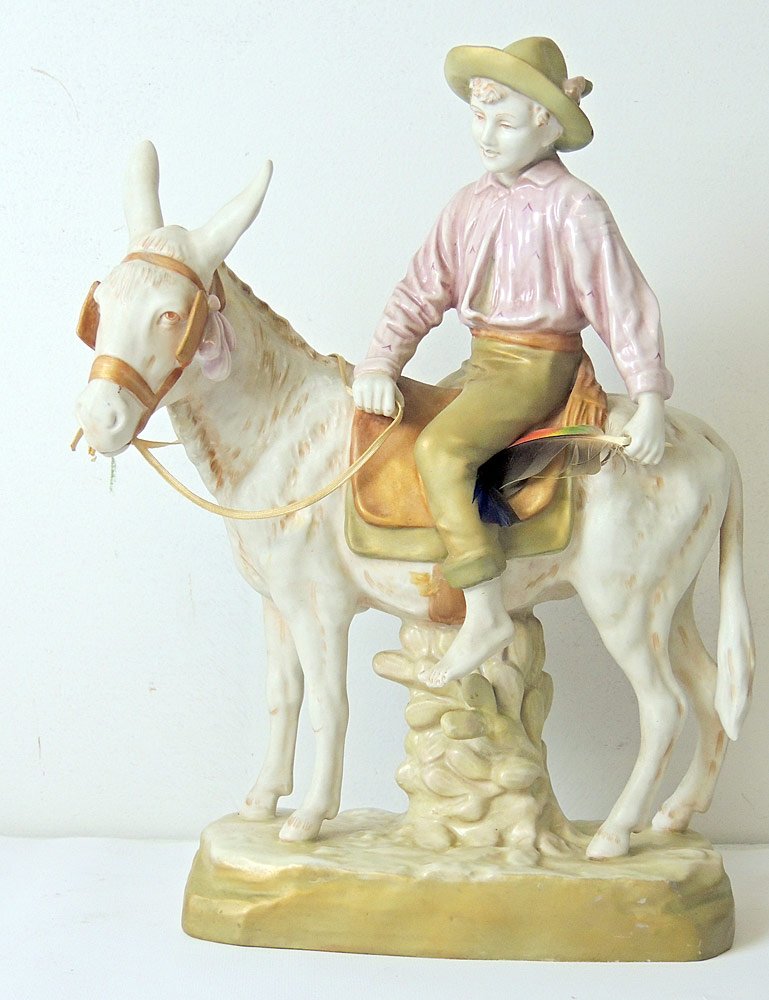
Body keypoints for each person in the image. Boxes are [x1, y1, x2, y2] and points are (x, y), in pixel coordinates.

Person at [352, 37, 673, 687]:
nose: (486, 136)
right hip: (482, 361)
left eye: (504, 122)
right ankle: (437, 589)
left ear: (546, 125)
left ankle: (485, 612)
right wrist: (381, 361)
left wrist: (647, 396)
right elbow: (421, 288)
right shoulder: (466, 204)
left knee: (443, 450)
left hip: (537, 364)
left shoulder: (574, 207)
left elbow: (620, 300)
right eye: (479, 118)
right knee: (401, 437)